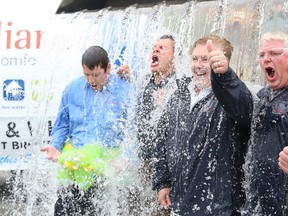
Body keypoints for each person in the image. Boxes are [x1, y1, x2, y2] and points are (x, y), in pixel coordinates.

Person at [152, 35, 252, 215]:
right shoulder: (180, 94)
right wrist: (163, 182)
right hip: (180, 204)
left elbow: (245, 109)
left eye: (206, 59)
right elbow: (161, 139)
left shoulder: (228, 98)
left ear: (223, 62)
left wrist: (226, 77)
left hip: (217, 208)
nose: (198, 65)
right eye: (195, 59)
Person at [40, 45, 132, 215]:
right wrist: (55, 145)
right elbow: (62, 124)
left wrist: (126, 157)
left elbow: (135, 130)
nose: (91, 80)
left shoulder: (124, 90)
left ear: (108, 68)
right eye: (87, 75)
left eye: (96, 75)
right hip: (74, 166)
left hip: (104, 169)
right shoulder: (72, 89)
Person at [209, 31, 288, 215]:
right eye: (262, 55)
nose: (266, 59)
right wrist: (224, 75)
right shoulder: (264, 96)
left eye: (274, 53)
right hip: (257, 204)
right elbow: (241, 105)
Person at [127, 34, 179, 216]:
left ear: (174, 57)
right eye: (154, 47)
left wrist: (168, 103)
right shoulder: (145, 84)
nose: (155, 49)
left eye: (162, 48)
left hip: (166, 170)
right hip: (142, 165)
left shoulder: (179, 87)